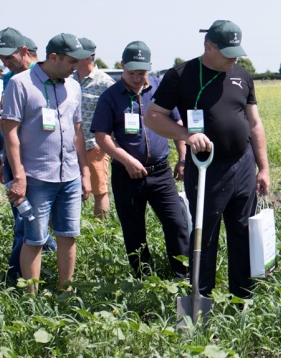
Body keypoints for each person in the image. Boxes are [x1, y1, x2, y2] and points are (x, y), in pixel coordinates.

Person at [145, 20, 270, 299]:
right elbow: (152, 116)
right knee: (205, 234)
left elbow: (255, 123)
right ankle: (201, 297)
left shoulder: (242, 75)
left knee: (242, 233)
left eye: (237, 51)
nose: (233, 58)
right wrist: (186, 135)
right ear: (209, 47)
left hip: (243, 165)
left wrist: (263, 167)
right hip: (206, 168)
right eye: (227, 52)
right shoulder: (181, 75)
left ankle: (243, 298)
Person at [3, 33, 93, 290]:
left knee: (68, 235)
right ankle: (31, 300)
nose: (75, 67)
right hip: (37, 177)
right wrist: (19, 175)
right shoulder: (20, 84)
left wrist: (84, 173)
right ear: (53, 57)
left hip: (70, 177)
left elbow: (77, 131)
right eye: (71, 62)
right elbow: (10, 133)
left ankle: (65, 292)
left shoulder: (73, 85)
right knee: (35, 239)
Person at [92, 41, 189, 278]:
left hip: (161, 173)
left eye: (141, 73)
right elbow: (102, 136)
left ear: (150, 67)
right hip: (127, 175)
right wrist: (126, 160)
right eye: (131, 72)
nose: (136, 78)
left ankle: (183, 275)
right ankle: (144, 278)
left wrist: (183, 157)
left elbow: (177, 124)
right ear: (122, 66)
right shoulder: (110, 97)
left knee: (177, 223)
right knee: (134, 231)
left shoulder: (160, 89)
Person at [0, 27, 55, 279]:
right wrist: (5, 160)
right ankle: (37, 265)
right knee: (24, 218)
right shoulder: (9, 79)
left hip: (39, 161)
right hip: (16, 161)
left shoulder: (43, 77)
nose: (5, 63)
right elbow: (11, 125)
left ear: (25, 52)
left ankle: (15, 277)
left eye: (9, 57)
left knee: (28, 223)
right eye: (2, 58)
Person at [74, 38, 116, 219]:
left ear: (88, 57)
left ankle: (101, 230)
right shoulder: (69, 79)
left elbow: (116, 112)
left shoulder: (105, 82)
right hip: (71, 144)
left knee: (99, 189)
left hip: (94, 144)